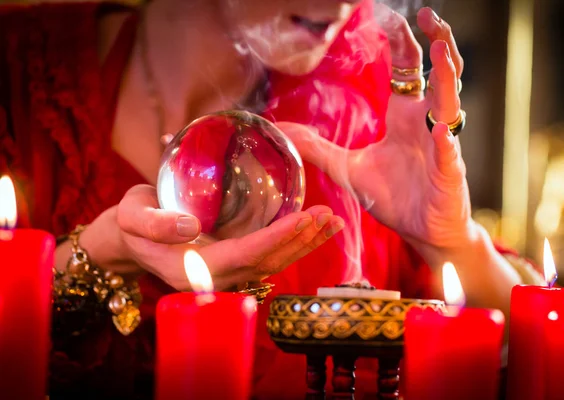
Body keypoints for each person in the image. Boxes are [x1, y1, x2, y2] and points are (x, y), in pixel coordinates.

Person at [0, 0, 536, 398]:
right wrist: (99, 253)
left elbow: (537, 349)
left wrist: (450, 240)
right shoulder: (18, 68)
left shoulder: (364, 98)